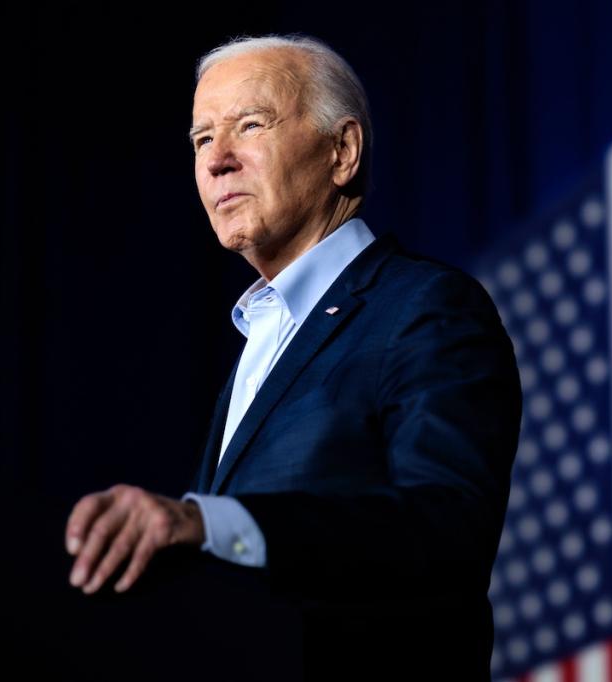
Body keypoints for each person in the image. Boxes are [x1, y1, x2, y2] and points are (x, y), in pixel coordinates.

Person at [63, 34, 521, 678]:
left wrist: (207, 524)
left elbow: (444, 525)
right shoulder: (262, 333)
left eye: (250, 124)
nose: (217, 160)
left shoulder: (425, 307)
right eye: (200, 140)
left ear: (343, 151)